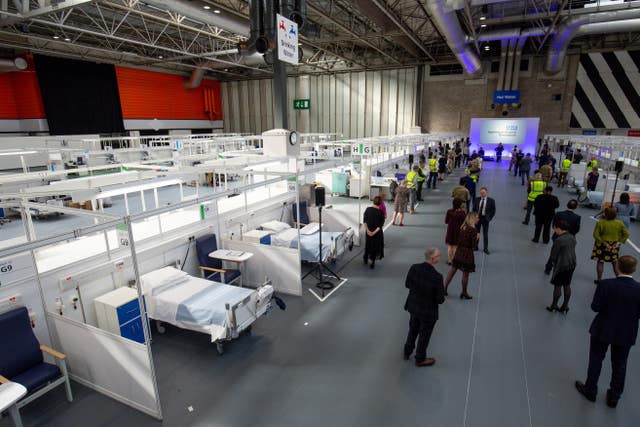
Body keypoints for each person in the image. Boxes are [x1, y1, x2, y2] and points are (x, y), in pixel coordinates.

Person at [575, 255, 640, 408]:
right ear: (634, 270)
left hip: (603, 328)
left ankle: (590, 390)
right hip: (626, 332)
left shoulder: (605, 285)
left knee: (596, 359)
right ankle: (614, 397)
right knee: (620, 365)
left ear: (617, 267)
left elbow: (595, 307)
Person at [403, 247, 446, 367]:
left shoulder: (414, 268)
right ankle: (420, 358)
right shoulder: (437, 277)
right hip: (428, 312)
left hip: (414, 306)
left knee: (413, 329)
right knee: (424, 335)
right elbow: (440, 300)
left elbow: (407, 284)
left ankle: (407, 351)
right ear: (433, 259)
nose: (439, 257)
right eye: (438, 256)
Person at [444, 212, 479, 299]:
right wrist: (477, 238)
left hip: (459, 252)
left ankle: (444, 288)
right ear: (472, 219)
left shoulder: (463, 227)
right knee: (465, 274)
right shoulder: (473, 230)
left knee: (452, 271)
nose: (478, 219)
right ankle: (464, 292)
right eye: (477, 218)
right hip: (467, 254)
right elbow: (474, 246)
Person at [546, 220, 577, 314]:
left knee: (558, 285)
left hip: (561, 265)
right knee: (567, 284)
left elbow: (553, 255)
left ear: (559, 228)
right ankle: (565, 306)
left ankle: (554, 305)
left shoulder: (559, 240)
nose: (554, 231)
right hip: (571, 263)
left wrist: (551, 264)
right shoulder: (572, 237)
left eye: (555, 229)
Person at [592, 207, 629, 282]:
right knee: (615, 262)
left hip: (601, 245)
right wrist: (619, 242)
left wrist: (604, 243)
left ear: (605, 214)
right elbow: (626, 234)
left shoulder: (601, 222)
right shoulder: (619, 223)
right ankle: (619, 279)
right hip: (614, 244)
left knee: (600, 261)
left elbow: (596, 235)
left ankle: (599, 279)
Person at [545, 199, 581, 274]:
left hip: (557, 236)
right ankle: (561, 269)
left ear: (567, 205)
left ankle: (548, 267)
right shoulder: (577, 217)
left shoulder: (559, 214)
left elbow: (553, 225)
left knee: (554, 251)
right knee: (566, 253)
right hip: (569, 238)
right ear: (576, 207)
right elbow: (577, 229)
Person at [363, 196, 385, 269]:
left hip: (368, 232)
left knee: (368, 245)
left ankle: (365, 258)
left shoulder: (368, 209)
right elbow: (380, 225)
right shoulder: (381, 212)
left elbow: (365, 221)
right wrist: (373, 232)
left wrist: (368, 231)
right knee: (375, 247)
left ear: (373, 201)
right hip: (377, 233)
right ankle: (372, 262)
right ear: (380, 203)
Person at [473, 187, 496, 254]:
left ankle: (485, 248)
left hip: (485, 219)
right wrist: (475, 217)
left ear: (486, 192)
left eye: (483, 193)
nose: (482, 194)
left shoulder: (491, 201)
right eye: (481, 193)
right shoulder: (477, 199)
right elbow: (474, 209)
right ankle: (476, 246)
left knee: (485, 234)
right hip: (478, 219)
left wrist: (489, 218)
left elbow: (493, 210)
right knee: (476, 233)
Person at [445, 198, 467, 265]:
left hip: (450, 230)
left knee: (449, 246)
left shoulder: (449, 211)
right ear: (460, 205)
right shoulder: (462, 213)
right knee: (455, 246)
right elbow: (465, 223)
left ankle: (449, 260)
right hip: (458, 231)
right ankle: (455, 260)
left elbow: (446, 221)